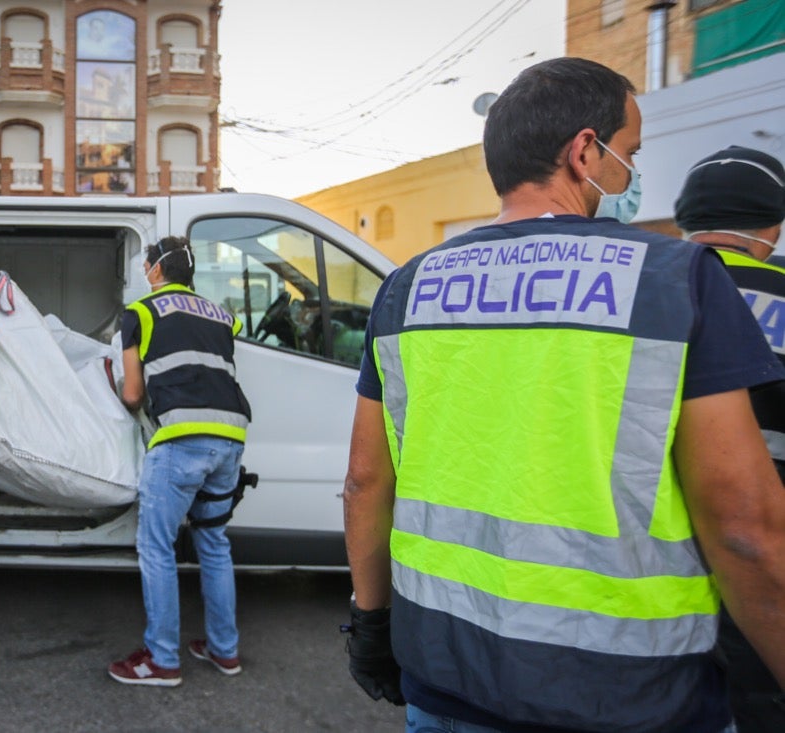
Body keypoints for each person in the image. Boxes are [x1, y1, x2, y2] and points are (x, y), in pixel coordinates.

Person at [343, 56, 785, 733]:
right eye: (628, 152)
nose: (630, 173)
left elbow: (366, 481)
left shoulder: (407, 289)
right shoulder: (675, 280)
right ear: (585, 151)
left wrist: (371, 622)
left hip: (446, 681)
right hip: (633, 698)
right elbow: (745, 528)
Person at [674, 146, 785, 733]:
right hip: (769, 567)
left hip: (650, 564)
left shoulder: (647, 285)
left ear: (686, 219)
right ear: (773, 223)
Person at [108, 236, 252, 687]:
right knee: (213, 544)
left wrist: (112, 391)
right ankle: (224, 651)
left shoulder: (141, 313)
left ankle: (162, 659)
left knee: (156, 548)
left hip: (180, 441)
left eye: (147, 263)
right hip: (230, 439)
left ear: (155, 270)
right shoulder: (223, 315)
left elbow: (133, 395)